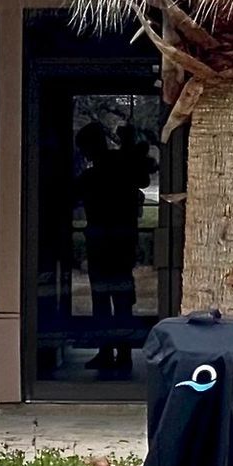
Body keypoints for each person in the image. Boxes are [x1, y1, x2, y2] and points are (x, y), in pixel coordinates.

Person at [78, 121, 153, 373]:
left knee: (107, 299)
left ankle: (114, 352)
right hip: (119, 241)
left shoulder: (99, 173)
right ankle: (118, 352)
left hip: (107, 242)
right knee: (118, 299)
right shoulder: (119, 165)